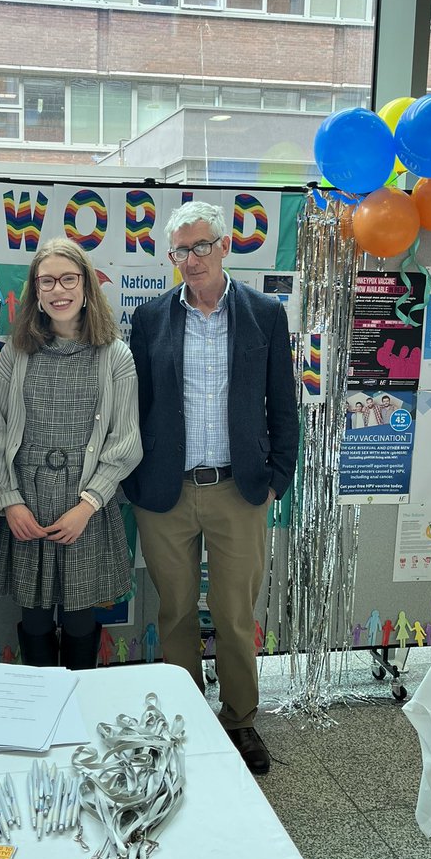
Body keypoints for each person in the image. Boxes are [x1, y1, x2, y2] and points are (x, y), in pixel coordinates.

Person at [124, 201, 298, 775]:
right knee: (174, 612)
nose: (191, 260)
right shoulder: (150, 319)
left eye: (201, 247)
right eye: (180, 251)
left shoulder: (264, 314)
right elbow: (137, 406)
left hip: (237, 489)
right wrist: (133, 478)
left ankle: (241, 721)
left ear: (225, 246)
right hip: (165, 492)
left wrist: (277, 478)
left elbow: (283, 404)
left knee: (233, 613)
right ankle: (184, 719)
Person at [0, 237, 141, 668]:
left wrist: (88, 505)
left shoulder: (115, 356)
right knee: (33, 616)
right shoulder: (16, 354)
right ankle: (39, 709)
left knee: (79, 614)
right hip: (26, 498)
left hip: (85, 502)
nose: (58, 290)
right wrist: (10, 501)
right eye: (46, 281)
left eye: (68, 279)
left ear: (87, 286)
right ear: (36, 291)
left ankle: (78, 705)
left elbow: (126, 441)